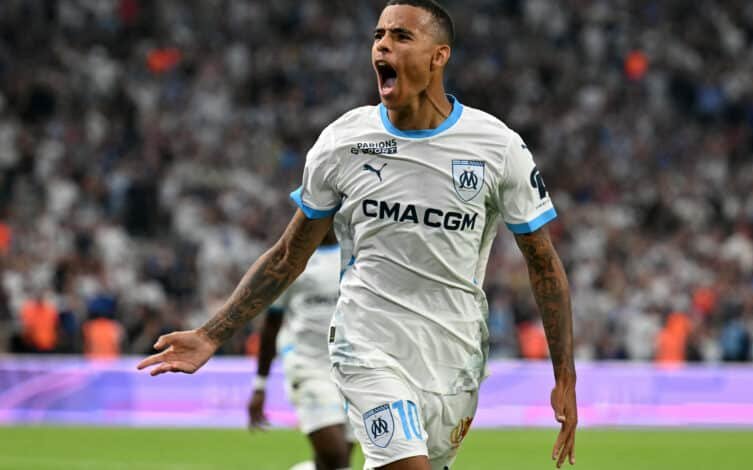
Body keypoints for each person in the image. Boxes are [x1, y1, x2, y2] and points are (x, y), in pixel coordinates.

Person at [138, 1, 578, 468]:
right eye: (378, 35)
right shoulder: (343, 142)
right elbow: (289, 254)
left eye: (401, 36)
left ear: (439, 56)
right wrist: (212, 334)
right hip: (366, 345)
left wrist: (564, 376)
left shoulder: (497, 147)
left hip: (455, 355)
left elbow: (543, 263)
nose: (383, 45)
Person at [248, 230, 354, 470]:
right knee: (336, 458)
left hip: (349, 367)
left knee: (335, 461)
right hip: (307, 366)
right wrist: (260, 386)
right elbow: (271, 325)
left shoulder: (355, 253)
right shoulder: (291, 261)